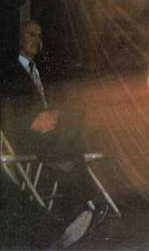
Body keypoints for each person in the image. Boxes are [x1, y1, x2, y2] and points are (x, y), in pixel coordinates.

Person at [0, 20, 106, 248]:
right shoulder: (8, 70)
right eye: (31, 34)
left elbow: (49, 104)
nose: (36, 40)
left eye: (39, 36)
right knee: (67, 144)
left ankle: (78, 210)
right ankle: (83, 205)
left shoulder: (41, 71)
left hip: (46, 135)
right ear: (19, 37)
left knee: (70, 130)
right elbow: (6, 109)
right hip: (21, 135)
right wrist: (31, 122)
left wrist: (54, 115)